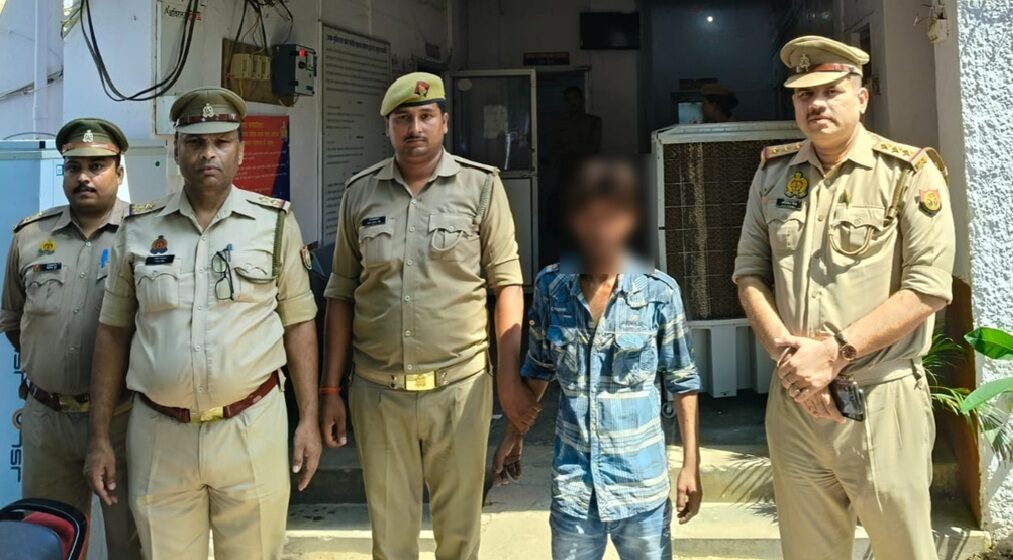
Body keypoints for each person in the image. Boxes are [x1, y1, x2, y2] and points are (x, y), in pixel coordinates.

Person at [733, 35, 955, 560]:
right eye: (803, 94)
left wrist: (833, 355)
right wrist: (795, 366)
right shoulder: (772, 174)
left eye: (831, 91)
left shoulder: (907, 173)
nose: (816, 104)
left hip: (878, 400)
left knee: (904, 550)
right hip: (795, 405)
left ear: (862, 97)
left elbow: (927, 288)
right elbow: (749, 275)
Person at [84, 87, 321, 559]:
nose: (208, 153)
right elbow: (112, 333)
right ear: (176, 150)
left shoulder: (274, 224)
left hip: (250, 427)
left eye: (221, 141)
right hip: (160, 435)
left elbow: (299, 325)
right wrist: (99, 437)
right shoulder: (139, 229)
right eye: (194, 142)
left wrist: (309, 420)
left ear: (240, 150)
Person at [319, 71, 532, 560]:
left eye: (425, 116)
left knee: (459, 536)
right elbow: (341, 294)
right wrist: (330, 391)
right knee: (391, 540)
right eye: (403, 119)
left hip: (459, 390)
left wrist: (507, 378)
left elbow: (507, 285)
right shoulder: (360, 193)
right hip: (378, 393)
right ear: (388, 128)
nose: (414, 128)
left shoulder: (481, 186)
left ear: (444, 122)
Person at [494, 156, 702, 560]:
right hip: (574, 487)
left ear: (630, 219)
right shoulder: (552, 286)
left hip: (640, 485)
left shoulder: (659, 292)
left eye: (612, 218)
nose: (600, 230)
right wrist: (513, 435)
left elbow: (683, 380)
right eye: (589, 218)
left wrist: (691, 464)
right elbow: (538, 368)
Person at [0, 118, 141, 558]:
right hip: (48, 420)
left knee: (130, 541)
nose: (84, 177)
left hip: (124, 419)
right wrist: (50, 367)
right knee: (46, 540)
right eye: (74, 167)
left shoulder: (145, 234)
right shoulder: (30, 236)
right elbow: (13, 319)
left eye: (97, 166)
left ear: (119, 171)